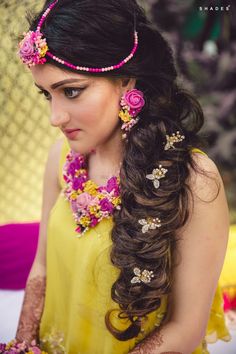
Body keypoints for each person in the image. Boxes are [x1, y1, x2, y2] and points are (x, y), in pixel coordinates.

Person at [15, 0, 231, 353]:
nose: (55, 117)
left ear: (127, 79)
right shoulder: (63, 158)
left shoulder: (193, 181)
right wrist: (22, 343)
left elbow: (185, 329)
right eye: (47, 94)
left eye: (71, 91)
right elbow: (42, 266)